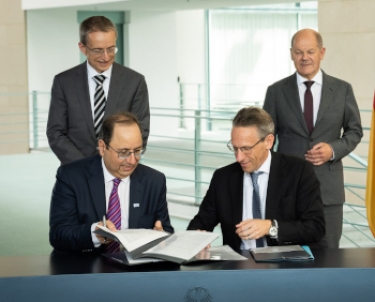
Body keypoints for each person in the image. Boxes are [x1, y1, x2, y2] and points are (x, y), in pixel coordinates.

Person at [263, 29, 362, 248]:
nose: (304, 57)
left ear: (322, 52)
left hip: (328, 193)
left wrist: (333, 149)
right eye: (299, 52)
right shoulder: (276, 92)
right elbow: (265, 139)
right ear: (291, 54)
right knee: (285, 256)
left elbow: (355, 131)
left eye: (310, 51)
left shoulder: (342, 89)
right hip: (287, 193)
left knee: (329, 259)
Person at [187, 107, 325, 251]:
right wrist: (197, 236)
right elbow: (200, 223)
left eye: (246, 148)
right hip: (237, 266)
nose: (239, 157)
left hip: (282, 267)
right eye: (235, 148)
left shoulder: (299, 171)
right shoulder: (223, 178)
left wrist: (270, 227)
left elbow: (315, 228)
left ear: (268, 142)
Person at [49, 112, 173, 254]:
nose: (132, 161)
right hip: (86, 267)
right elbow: (59, 235)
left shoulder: (154, 181)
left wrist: (161, 236)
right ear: (102, 147)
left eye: (137, 151)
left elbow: (166, 230)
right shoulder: (71, 177)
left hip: (136, 270)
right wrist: (95, 233)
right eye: (124, 152)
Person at [47, 16, 150, 165]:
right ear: (83, 48)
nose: (106, 57)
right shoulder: (63, 82)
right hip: (76, 172)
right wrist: (85, 166)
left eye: (111, 49)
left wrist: (113, 164)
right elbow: (56, 133)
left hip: (120, 171)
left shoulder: (135, 82)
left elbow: (140, 132)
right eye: (98, 50)